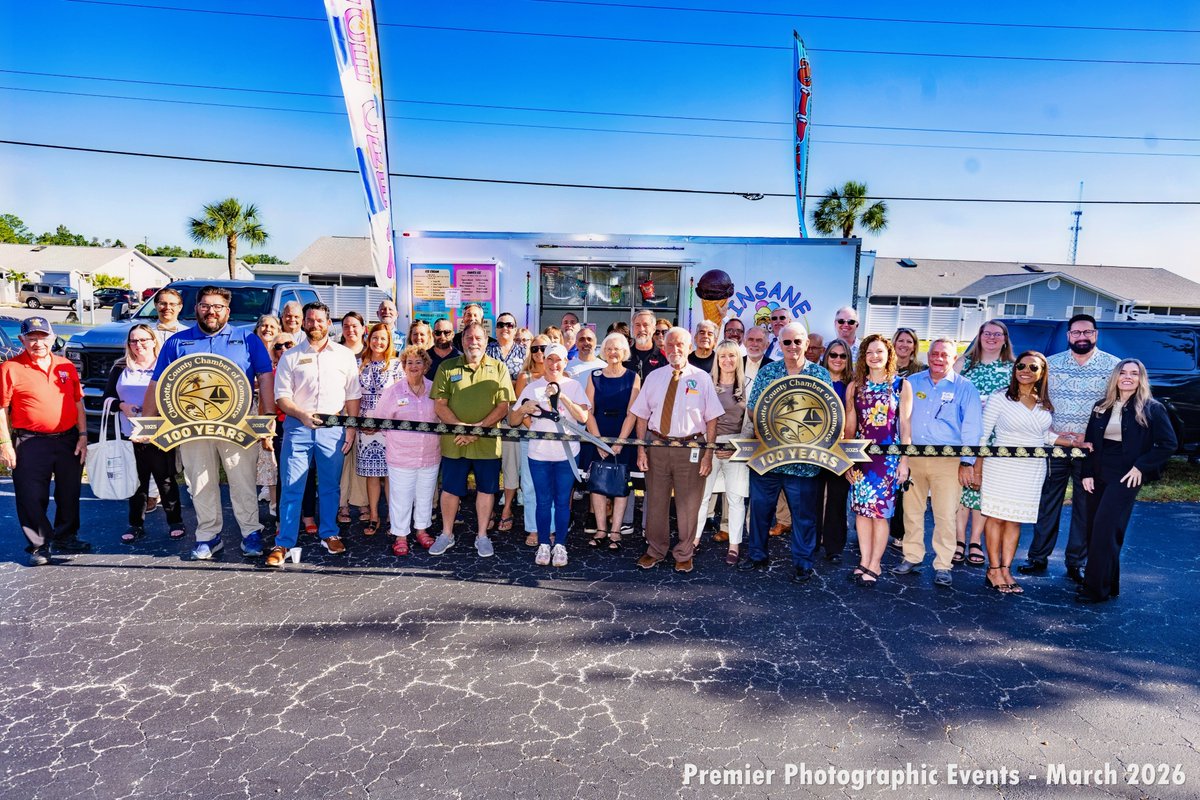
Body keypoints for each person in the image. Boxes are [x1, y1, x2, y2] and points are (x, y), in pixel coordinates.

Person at [144, 287, 274, 560]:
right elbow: (157, 383)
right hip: (191, 422)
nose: (211, 311)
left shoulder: (248, 339)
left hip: (239, 422)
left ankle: (250, 532)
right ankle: (207, 536)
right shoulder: (177, 342)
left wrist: (267, 417)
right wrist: (148, 423)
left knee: (242, 479)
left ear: (228, 311)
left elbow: (264, 377)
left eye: (217, 307)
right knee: (199, 480)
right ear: (196, 309)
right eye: (205, 306)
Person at [1019, 314, 1121, 582]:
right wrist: (1051, 433)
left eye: (1087, 332)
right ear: (1068, 336)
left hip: (1090, 448)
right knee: (1047, 502)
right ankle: (1038, 558)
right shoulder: (1050, 365)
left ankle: (1076, 562)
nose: (1082, 337)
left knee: (1085, 505)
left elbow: (1116, 406)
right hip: (1055, 445)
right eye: (1076, 332)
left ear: (1095, 334)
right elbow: (1036, 401)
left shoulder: (1113, 366)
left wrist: (1092, 436)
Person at [268, 301, 361, 567]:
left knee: (330, 487)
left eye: (320, 320)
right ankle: (284, 542)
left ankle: (329, 533)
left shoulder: (343, 355)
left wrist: (351, 428)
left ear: (328, 324)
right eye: (310, 320)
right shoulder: (290, 356)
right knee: (292, 486)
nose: (315, 325)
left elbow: (353, 395)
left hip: (333, 429)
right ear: (303, 323)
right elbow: (282, 397)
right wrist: (301, 415)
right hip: (299, 428)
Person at [739, 323, 832, 583]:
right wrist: (770, 432)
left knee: (803, 516)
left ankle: (803, 562)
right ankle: (757, 555)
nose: (792, 347)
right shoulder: (768, 372)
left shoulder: (820, 375)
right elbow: (753, 408)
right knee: (759, 510)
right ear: (779, 345)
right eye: (787, 342)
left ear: (806, 344)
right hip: (769, 458)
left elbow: (826, 414)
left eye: (798, 341)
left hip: (803, 462)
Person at [1078, 359, 1176, 603]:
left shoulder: (1152, 408)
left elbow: (1168, 444)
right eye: (1123, 373)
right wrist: (1087, 473)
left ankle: (1094, 590)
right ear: (1116, 377)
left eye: (1134, 373)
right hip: (1099, 473)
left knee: (1105, 529)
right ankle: (1108, 584)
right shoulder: (1101, 406)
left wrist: (1141, 467)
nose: (1128, 377)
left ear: (1141, 378)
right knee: (1096, 530)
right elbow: (1090, 443)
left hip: (1125, 476)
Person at [979, 352, 1076, 594]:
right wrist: (975, 465)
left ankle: (1006, 569)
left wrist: (1074, 443)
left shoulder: (1043, 402)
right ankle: (993, 570)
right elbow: (983, 434)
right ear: (1014, 369)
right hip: (1000, 465)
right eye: (1021, 365)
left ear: (1042, 373)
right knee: (996, 516)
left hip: (1032, 467)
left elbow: (1044, 436)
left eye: (1033, 367)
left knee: (1015, 519)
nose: (1026, 370)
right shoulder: (1000, 397)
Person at [629, 327, 722, 573]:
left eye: (680, 344)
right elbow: (641, 415)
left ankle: (684, 552)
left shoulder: (702, 378)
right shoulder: (654, 377)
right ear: (664, 348)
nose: (675, 350)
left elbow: (712, 418)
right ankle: (655, 550)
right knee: (655, 502)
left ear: (689, 347)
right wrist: (641, 450)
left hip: (690, 448)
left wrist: (709, 454)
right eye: (670, 345)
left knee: (688, 504)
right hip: (657, 446)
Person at [0, 317, 90, 566]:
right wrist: (5, 444)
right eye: (31, 337)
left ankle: (66, 536)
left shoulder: (66, 366)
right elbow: (1, 409)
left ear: (52, 338)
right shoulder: (10, 368)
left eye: (42, 337)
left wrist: (83, 437)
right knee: (31, 495)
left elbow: (77, 402)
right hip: (30, 441)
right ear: (22, 340)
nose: (37, 342)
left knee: (70, 491)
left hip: (68, 439)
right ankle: (39, 545)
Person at [891, 339, 981, 587]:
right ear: (927, 355)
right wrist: (903, 456)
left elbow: (973, 428)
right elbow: (902, 421)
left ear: (954, 359)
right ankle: (911, 556)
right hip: (914, 458)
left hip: (948, 461)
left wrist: (967, 461)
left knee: (945, 514)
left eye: (945, 355)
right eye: (934, 354)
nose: (938, 359)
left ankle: (943, 564)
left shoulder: (965, 388)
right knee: (912, 510)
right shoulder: (912, 382)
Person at [430, 321, 515, 558]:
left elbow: (503, 406)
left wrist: (477, 430)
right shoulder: (447, 367)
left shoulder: (499, 368)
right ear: (462, 340)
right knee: (450, 489)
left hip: (487, 442)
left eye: (479, 338)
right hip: (454, 441)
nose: (474, 342)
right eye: (469, 338)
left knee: (486, 490)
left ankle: (482, 536)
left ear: (486, 342)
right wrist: (461, 428)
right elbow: (440, 405)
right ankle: (446, 534)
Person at [510, 343, 590, 567]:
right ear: (543, 361)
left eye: (559, 360)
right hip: (539, 454)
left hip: (567, 454)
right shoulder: (531, 387)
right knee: (543, 501)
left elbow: (583, 417)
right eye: (550, 359)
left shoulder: (573, 386)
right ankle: (544, 544)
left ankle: (561, 545)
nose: (554, 364)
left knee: (563, 502)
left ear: (565, 362)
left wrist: (562, 397)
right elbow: (513, 421)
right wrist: (524, 410)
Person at [104, 324, 184, 544]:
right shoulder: (120, 367)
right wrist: (122, 406)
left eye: (143, 340)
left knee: (166, 480)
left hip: (159, 434)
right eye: (133, 340)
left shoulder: (166, 367)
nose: (138, 345)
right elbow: (107, 398)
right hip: (129, 434)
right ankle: (136, 525)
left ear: (153, 340)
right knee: (136, 483)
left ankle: (175, 521)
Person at [844, 334, 912, 586]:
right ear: (863, 356)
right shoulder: (855, 387)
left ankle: (876, 564)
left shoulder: (901, 385)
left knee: (880, 514)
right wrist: (847, 461)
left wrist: (904, 461)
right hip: (862, 457)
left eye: (880, 351)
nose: (875, 356)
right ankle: (864, 559)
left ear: (888, 355)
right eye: (870, 352)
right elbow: (850, 429)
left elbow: (905, 426)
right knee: (862, 511)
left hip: (888, 459)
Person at [953, 321, 1015, 568]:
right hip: (964, 435)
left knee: (981, 489)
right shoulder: (964, 364)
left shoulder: (1012, 367)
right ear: (978, 337)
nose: (991, 338)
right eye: (986, 333)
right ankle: (959, 540)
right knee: (961, 488)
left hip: (996, 437)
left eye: (997, 334)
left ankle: (975, 541)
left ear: (1004, 338)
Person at [374, 345, 441, 556]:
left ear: (426, 366)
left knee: (425, 495)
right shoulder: (392, 392)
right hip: (401, 455)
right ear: (403, 366)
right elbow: (380, 421)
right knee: (400, 497)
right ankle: (401, 535)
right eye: (409, 362)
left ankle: (421, 530)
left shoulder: (435, 389)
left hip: (430, 454)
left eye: (418, 362)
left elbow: (440, 418)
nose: (413, 366)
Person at [694, 341, 751, 566]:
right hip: (708, 444)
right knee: (702, 496)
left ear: (738, 359)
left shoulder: (748, 384)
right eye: (723, 356)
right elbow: (697, 415)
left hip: (736, 446)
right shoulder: (705, 383)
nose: (727, 360)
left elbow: (752, 420)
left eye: (732, 356)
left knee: (735, 498)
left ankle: (734, 545)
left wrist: (737, 445)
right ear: (717, 359)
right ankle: (694, 539)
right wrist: (708, 444)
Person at [585, 332, 641, 551]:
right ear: (603, 351)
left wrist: (619, 442)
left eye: (617, 348)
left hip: (623, 433)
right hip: (597, 431)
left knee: (620, 483)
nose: (612, 352)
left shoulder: (633, 377)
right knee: (597, 482)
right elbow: (587, 411)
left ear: (624, 351)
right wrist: (598, 441)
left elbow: (632, 413)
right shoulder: (594, 376)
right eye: (608, 348)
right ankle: (600, 530)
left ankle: (615, 531)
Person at [356, 322, 402, 535]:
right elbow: (352, 395)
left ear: (389, 341)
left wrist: (382, 421)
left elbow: (402, 398)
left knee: (391, 474)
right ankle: (374, 516)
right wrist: (361, 421)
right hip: (364, 427)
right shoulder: (358, 363)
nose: (378, 342)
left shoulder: (395, 365)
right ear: (369, 339)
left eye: (383, 338)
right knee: (372, 474)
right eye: (375, 337)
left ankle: (393, 517)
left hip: (388, 427)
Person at [486, 311, 527, 533]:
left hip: (513, 414)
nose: (505, 328)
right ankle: (489, 508)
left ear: (515, 327)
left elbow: (524, 383)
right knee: (491, 463)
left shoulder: (525, 352)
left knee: (511, 462)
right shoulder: (486, 351)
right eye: (501, 324)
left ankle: (507, 508)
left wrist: (506, 383)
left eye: (509, 325)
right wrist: (510, 382)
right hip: (489, 412)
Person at [817, 339, 853, 564]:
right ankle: (811, 543)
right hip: (816, 448)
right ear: (826, 357)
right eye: (833, 355)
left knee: (837, 499)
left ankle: (834, 547)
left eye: (842, 356)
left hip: (841, 449)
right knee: (813, 497)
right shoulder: (815, 380)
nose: (837, 359)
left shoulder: (853, 384)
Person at [516, 334, 552, 547]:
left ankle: (552, 528)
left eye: (544, 348)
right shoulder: (524, 377)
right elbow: (520, 411)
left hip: (555, 442)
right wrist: (537, 430)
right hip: (530, 438)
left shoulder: (561, 375)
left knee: (552, 487)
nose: (539, 352)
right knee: (529, 485)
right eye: (535, 348)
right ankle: (533, 528)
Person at [335, 311, 368, 526]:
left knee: (363, 459)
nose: (350, 330)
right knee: (343, 459)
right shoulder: (334, 351)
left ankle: (362, 502)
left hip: (367, 412)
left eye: (355, 325)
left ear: (363, 328)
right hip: (341, 411)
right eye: (346, 326)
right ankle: (342, 504)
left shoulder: (371, 351)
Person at [626, 310, 666, 381]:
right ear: (632, 329)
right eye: (637, 325)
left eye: (645, 325)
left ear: (654, 329)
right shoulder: (624, 356)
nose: (641, 329)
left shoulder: (664, 357)